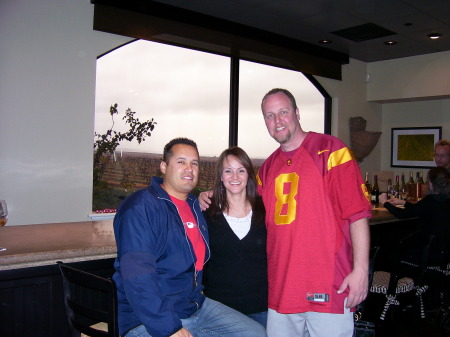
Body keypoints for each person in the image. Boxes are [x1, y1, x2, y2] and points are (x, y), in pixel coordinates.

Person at [200, 89, 372, 337]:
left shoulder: (331, 151)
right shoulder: (268, 168)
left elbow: (358, 214)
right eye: (270, 116)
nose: (277, 120)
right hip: (282, 292)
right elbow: (241, 196)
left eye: (283, 112)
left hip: (327, 286)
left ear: (297, 113)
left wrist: (360, 271)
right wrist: (210, 194)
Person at [113, 137, 267, 337]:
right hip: (144, 319)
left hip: (192, 307)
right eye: (181, 162)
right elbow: (138, 278)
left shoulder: (196, 207)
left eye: (194, 163)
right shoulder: (141, 207)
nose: (189, 168)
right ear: (163, 166)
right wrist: (169, 328)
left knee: (256, 334)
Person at [202, 146, 268, 327]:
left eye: (241, 170)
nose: (235, 177)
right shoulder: (207, 212)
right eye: (228, 171)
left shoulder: (266, 209)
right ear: (221, 176)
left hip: (261, 309)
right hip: (219, 310)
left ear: (249, 175)